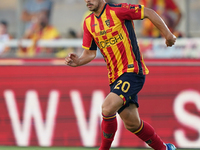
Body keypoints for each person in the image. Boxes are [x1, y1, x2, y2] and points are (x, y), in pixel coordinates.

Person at [65, 0, 176, 150]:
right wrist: (78, 61)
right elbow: (90, 53)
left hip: (132, 71)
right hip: (115, 78)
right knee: (132, 124)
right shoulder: (88, 22)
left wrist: (168, 35)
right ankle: (165, 148)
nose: (88, 1)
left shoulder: (118, 10)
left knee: (107, 107)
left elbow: (149, 12)